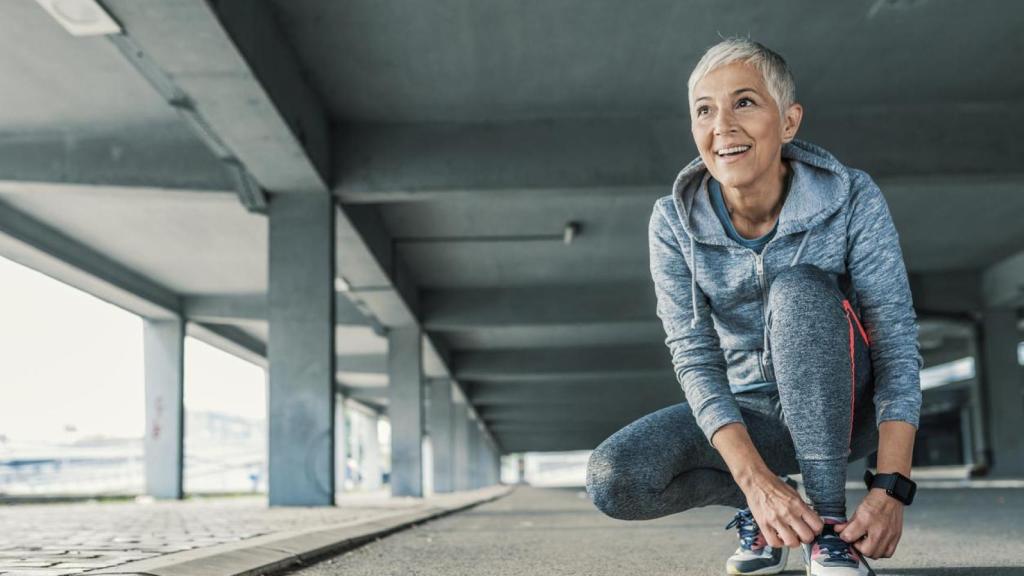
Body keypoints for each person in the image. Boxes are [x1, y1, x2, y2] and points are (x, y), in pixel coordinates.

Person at [585, 38, 922, 576]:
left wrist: (891, 487)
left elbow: (896, 344)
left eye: (744, 102)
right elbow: (695, 357)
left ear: (788, 122)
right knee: (615, 479)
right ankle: (772, 511)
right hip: (751, 419)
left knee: (799, 289)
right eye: (704, 110)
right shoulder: (673, 222)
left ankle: (828, 529)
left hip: (845, 411)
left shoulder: (852, 197)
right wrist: (757, 484)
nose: (722, 125)